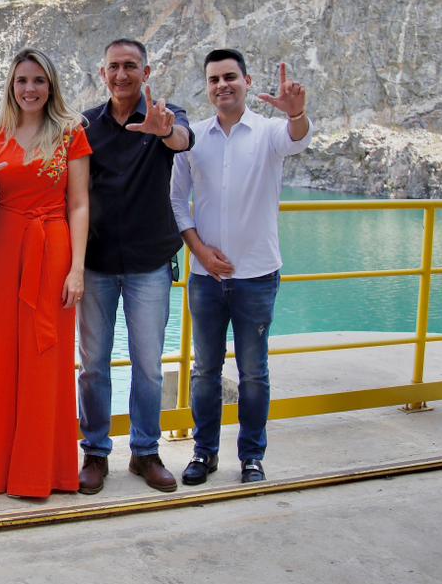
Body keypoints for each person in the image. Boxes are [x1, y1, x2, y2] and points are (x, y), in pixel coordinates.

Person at [171, 50, 312, 484]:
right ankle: (204, 453)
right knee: (205, 371)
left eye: (230, 77)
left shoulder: (270, 132)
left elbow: (298, 137)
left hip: (257, 275)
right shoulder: (192, 138)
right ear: (207, 87)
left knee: (254, 373)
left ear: (247, 82)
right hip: (206, 278)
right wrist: (199, 250)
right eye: (214, 79)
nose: (222, 85)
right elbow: (176, 201)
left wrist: (298, 111)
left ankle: (252, 457)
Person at [0, 48, 91, 498]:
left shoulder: (71, 133)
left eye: (38, 80)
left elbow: (78, 204)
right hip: (5, 246)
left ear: (50, 84)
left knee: (45, 353)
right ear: (11, 85)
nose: (30, 88)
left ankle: (42, 471)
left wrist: (76, 268)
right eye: (22, 80)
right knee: (0, 352)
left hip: (52, 244)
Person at [78, 39, 194, 495]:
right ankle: (95, 453)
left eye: (131, 67)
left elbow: (182, 139)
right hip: (96, 263)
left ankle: (145, 452)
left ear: (146, 73)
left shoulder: (167, 114)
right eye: (114, 67)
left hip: (149, 263)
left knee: (147, 365)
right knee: (92, 366)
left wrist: (163, 131)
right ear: (102, 74)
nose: (122, 75)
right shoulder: (86, 123)